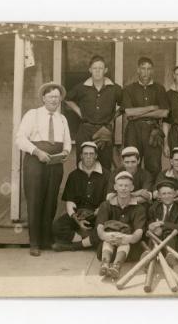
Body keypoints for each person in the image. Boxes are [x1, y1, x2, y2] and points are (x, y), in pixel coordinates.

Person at [16, 82, 72, 256]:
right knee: (35, 200)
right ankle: (34, 243)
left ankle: (46, 239)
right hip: (35, 163)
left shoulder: (62, 118)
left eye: (57, 97)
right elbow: (20, 139)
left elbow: (68, 141)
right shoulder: (33, 115)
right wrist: (37, 151)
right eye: (51, 97)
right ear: (43, 98)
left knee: (51, 201)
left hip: (55, 165)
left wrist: (65, 152)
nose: (54, 100)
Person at [64, 55, 122, 170]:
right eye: (94, 68)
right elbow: (67, 99)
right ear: (90, 70)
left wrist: (111, 118)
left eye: (100, 68)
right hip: (85, 129)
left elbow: (124, 106)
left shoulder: (115, 88)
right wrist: (80, 113)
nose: (97, 71)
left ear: (105, 70)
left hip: (105, 130)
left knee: (105, 165)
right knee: (83, 164)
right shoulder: (81, 87)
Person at [52, 141, 111, 252]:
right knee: (57, 226)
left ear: (96, 156)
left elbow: (107, 201)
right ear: (81, 156)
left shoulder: (106, 175)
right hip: (79, 215)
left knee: (104, 230)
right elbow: (70, 201)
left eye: (91, 154)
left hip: (98, 214)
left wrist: (96, 213)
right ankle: (85, 241)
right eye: (85, 154)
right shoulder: (74, 175)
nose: (88, 157)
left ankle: (72, 246)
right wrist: (76, 219)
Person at [122, 57, 169, 177]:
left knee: (154, 166)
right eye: (143, 69)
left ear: (152, 71)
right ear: (138, 70)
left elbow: (164, 113)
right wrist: (152, 107)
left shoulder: (159, 88)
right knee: (131, 163)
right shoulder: (129, 89)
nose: (146, 72)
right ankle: (132, 193)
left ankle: (151, 194)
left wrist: (138, 114)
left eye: (149, 69)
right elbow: (129, 112)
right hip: (133, 130)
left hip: (152, 130)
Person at [96, 171, 147, 279]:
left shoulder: (139, 208)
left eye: (126, 186)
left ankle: (117, 266)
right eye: (120, 185)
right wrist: (109, 237)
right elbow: (100, 229)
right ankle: (105, 263)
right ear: (115, 187)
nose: (123, 188)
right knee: (107, 238)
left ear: (132, 187)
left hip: (128, 249)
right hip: (108, 248)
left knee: (125, 238)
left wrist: (125, 238)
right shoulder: (106, 205)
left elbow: (139, 232)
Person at [147, 180, 178, 263]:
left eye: (170, 193)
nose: (167, 196)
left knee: (169, 233)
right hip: (158, 239)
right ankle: (151, 256)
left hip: (173, 242)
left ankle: (169, 256)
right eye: (164, 194)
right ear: (159, 195)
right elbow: (149, 224)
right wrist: (151, 227)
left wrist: (162, 224)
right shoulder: (154, 208)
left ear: (174, 194)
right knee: (153, 234)